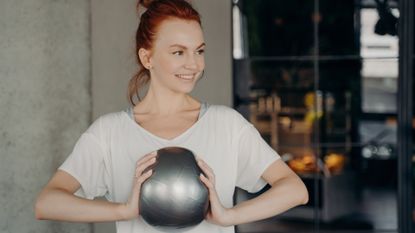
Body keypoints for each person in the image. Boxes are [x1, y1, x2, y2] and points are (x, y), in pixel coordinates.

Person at [35, 0, 308, 232]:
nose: (193, 64)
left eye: (199, 51)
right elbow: (47, 202)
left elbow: (295, 189)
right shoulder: (109, 132)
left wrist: (229, 215)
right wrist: (123, 210)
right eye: (178, 52)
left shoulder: (226, 125)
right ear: (147, 58)